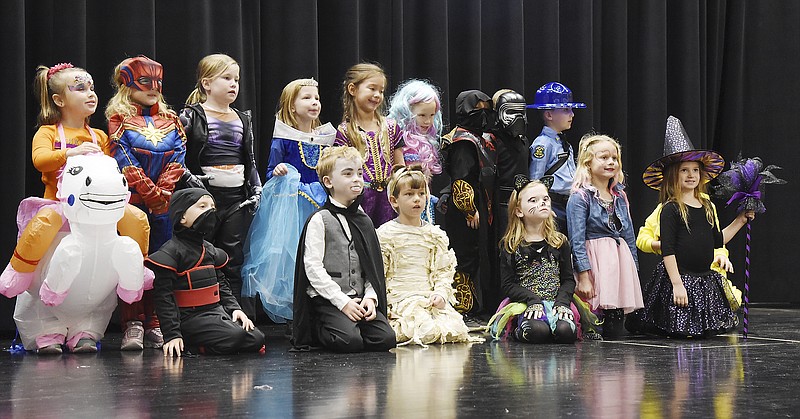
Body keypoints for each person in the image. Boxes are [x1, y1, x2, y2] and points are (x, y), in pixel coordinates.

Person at [0, 63, 149, 353]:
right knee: (45, 227)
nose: (90, 93)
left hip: (94, 219)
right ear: (59, 100)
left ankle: (132, 277)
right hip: (61, 211)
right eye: (80, 88)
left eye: (91, 87)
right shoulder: (48, 132)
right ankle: (21, 275)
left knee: (133, 217)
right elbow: (40, 160)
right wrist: (71, 152)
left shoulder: (100, 137)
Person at [633, 116, 753, 337]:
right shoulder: (670, 208)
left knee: (706, 332)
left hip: (704, 279)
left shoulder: (707, 205)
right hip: (680, 277)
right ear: (672, 175)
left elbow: (718, 240)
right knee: (681, 331)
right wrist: (677, 284)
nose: (691, 175)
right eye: (684, 170)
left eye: (695, 170)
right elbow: (668, 250)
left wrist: (740, 220)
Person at [106, 55, 187, 350]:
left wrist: (163, 192)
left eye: (158, 82)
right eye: (145, 81)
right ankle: (133, 323)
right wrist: (150, 192)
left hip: (164, 203)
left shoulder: (172, 120)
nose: (154, 87)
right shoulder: (118, 119)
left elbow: (179, 156)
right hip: (134, 202)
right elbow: (122, 156)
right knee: (132, 260)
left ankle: (156, 322)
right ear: (127, 83)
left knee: (161, 261)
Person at [242, 78, 336, 324]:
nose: (314, 102)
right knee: (293, 257)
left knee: (321, 255)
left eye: (316, 98)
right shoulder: (283, 137)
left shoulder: (325, 136)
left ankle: (323, 309)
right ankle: (298, 313)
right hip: (292, 208)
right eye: (306, 98)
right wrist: (281, 169)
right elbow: (272, 170)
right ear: (291, 106)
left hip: (320, 204)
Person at [291, 146, 396, 352]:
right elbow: (313, 268)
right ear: (329, 182)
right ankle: (319, 327)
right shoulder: (320, 220)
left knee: (386, 339)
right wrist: (342, 302)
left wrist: (370, 298)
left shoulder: (363, 220)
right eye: (347, 174)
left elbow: (371, 265)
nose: (356, 179)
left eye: (359, 173)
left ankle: (352, 324)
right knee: (349, 342)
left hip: (358, 297)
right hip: (329, 300)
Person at [181, 54, 262, 319]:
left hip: (236, 197)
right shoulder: (192, 115)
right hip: (205, 197)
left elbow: (249, 159)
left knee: (232, 257)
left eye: (236, 79)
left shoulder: (242, 118)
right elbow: (177, 156)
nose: (233, 84)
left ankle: (235, 312)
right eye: (226, 78)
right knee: (202, 253)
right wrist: (190, 179)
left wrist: (256, 188)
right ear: (206, 83)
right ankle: (201, 311)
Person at [146, 188, 265, 356]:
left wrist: (235, 309)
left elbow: (222, 284)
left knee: (257, 338)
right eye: (202, 206)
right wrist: (172, 334)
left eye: (212, 207)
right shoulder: (172, 252)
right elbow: (163, 297)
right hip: (189, 318)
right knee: (236, 336)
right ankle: (194, 346)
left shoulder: (209, 250)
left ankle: (219, 337)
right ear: (182, 216)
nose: (210, 211)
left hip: (215, 312)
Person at [376, 165, 482, 346]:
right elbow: (380, 273)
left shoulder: (435, 234)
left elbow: (443, 272)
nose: (417, 199)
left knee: (450, 330)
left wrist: (441, 294)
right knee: (420, 330)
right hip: (400, 299)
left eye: (421, 194)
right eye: (409, 194)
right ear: (394, 201)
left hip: (429, 299)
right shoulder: (385, 234)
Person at [567, 134, 643, 339]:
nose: (611, 162)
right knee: (594, 321)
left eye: (615, 158)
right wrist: (584, 276)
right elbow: (577, 240)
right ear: (588, 162)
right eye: (604, 157)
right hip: (595, 264)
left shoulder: (620, 196)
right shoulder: (580, 197)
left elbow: (628, 234)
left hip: (619, 264)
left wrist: (633, 269)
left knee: (616, 329)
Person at [488, 177, 578, 343]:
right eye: (533, 200)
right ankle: (516, 329)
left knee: (566, 332)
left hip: (556, 300)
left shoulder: (559, 241)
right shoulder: (511, 244)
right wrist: (532, 300)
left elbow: (568, 280)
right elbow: (508, 284)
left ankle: (555, 322)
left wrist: (563, 302)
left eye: (545, 199)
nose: (542, 203)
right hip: (527, 303)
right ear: (519, 211)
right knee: (537, 332)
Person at [440, 90, 497, 315]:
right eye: (477, 110)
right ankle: (464, 305)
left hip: (478, 205)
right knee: (464, 256)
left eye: (486, 110)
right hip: (466, 209)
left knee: (473, 255)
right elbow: (461, 178)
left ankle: (473, 304)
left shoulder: (476, 138)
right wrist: (469, 209)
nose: (483, 115)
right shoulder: (463, 141)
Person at [335, 63, 405, 227]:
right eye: (372, 88)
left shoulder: (391, 127)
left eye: (381, 91)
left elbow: (400, 166)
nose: (377, 95)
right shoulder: (344, 132)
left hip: (390, 201)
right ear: (353, 90)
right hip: (360, 201)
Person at [527, 82, 586, 234]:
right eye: (566, 110)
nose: (572, 114)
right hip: (554, 206)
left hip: (569, 204)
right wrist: (543, 207)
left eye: (571, 110)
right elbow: (535, 180)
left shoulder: (563, 142)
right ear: (548, 114)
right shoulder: (542, 145)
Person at [387, 79, 444, 222]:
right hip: (404, 205)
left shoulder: (426, 141)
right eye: (422, 115)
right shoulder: (398, 141)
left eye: (432, 115)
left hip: (422, 203)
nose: (428, 121)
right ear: (406, 112)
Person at [491, 89, 531, 239]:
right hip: (501, 203)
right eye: (511, 112)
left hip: (524, 201)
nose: (518, 118)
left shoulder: (523, 141)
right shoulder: (491, 141)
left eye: (521, 112)